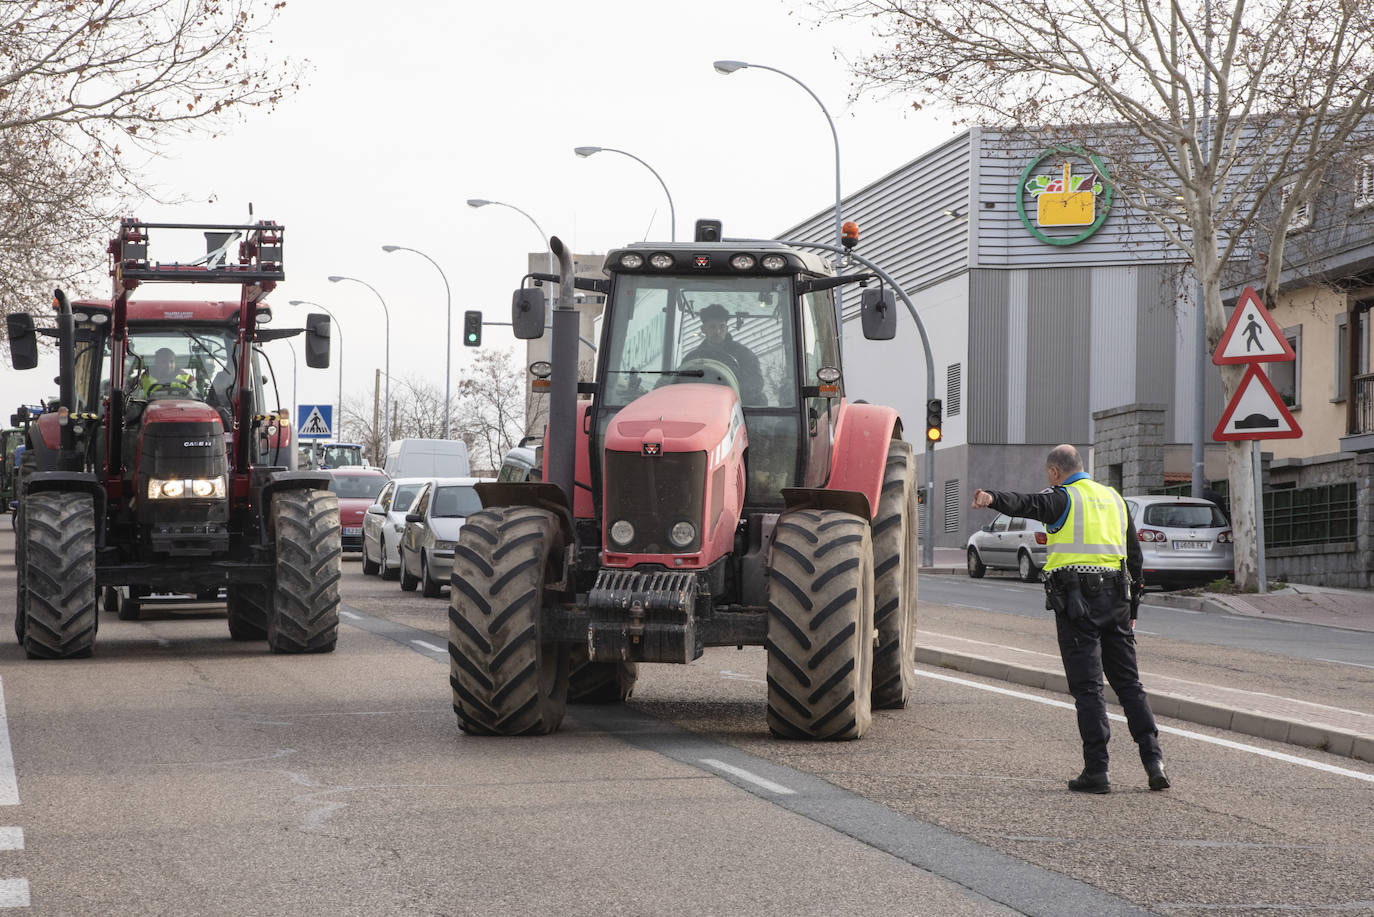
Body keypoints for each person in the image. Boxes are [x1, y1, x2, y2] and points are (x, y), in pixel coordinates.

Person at [972, 444, 1169, 794]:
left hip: (1078, 603)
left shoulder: (1063, 498)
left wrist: (991, 498)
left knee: (1089, 689)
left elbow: (1026, 503)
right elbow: (1135, 559)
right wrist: (1134, 609)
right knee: (1129, 685)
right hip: (1117, 603)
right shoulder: (1114, 499)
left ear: (1054, 472)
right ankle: (1154, 763)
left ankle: (1097, 771)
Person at [681, 303, 765, 404]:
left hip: (738, 408)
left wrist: (728, 389)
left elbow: (757, 383)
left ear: (727, 329)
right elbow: (682, 384)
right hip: (703, 407)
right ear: (703, 329)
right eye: (712, 327)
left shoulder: (744, 354)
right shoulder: (692, 359)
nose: (718, 331)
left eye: (722, 326)